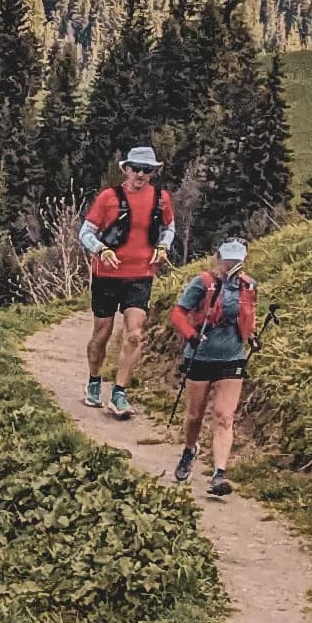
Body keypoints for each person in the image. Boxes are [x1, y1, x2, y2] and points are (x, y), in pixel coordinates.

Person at [76, 146, 175, 419]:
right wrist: (101, 250)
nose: (141, 174)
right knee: (102, 333)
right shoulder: (108, 198)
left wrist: (164, 247)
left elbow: (169, 227)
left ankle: (119, 391)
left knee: (135, 333)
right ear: (126, 170)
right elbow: (85, 231)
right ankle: (94, 380)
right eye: (136, 169)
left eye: (147, 170)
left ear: (153, 173)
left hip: (141, 274)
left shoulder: (161, 199)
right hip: (106, 274)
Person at [169, 238, 260, 497]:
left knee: (224, 416)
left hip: (232, 357)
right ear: (219, 259)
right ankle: (190, 449)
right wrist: (191, 335)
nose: (231, 265)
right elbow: (178, 313)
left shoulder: (248, 285)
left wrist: (250, 335)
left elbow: (248, 315)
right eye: (228, 260)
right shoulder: (203, 283)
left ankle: (219, 473)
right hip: (200, 357)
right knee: (195, 415)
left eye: (236, 260)